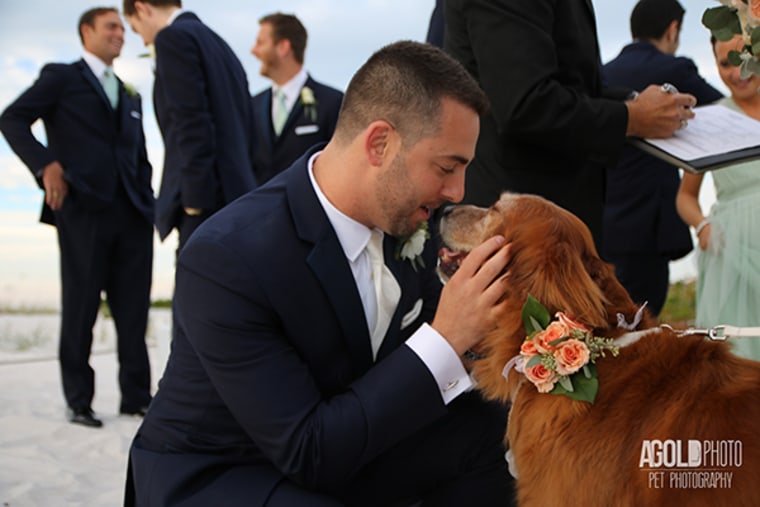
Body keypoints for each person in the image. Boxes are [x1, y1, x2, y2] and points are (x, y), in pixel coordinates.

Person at [126, 41, 517, 506]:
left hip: (345, 445)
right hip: (232, 471)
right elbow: (308, 449)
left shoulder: (413, 223)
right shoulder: (227, 257)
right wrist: (446, 337)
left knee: (479, 431)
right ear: (379, 143)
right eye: (446, 167)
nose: (456, 191)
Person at [0, 7, 154, 427]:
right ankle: (79, 400)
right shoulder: (61, 77)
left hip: (133, 212)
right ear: (86, 32)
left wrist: (148, 198)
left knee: (134, 309)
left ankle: (137, 397)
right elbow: (11, 118)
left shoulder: (129, 91)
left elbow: (138, 153)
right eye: (111, 27)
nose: (120, 34)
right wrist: (45, 165)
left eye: (123, 28)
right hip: (83, 209)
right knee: (81, 305)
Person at [444, 0, 698, 251]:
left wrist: (637, 103)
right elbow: (524, 103)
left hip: (555, 220)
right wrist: (631, 117)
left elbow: (573, 84)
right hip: (518, 229)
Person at [601, 0, 723, 317]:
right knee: (643, 320)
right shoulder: (673, 70)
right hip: (648, 228)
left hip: (603, 226)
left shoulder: (603, 74)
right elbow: (727, 114)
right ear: (673, 29)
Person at [122, 0, 256, 250]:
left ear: (141, 8)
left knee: (196, 286)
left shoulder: (172, 39)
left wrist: (195, 200)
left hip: (205, 203)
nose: (141, 40)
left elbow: (191, 121)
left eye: (135, 28)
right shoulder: (220, 45)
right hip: (237, 196)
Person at [676, 34, 760, 361]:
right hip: (732, 255)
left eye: (744, 58)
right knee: (743, 364)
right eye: (726, 62)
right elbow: (685, 197)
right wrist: (702, 225)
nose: (737, 72)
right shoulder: (709, 124)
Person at [250, 13, 344, 185]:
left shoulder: (333, 103)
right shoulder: (251, 105)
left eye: (260, 43)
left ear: (283, 47)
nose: (253, 50)